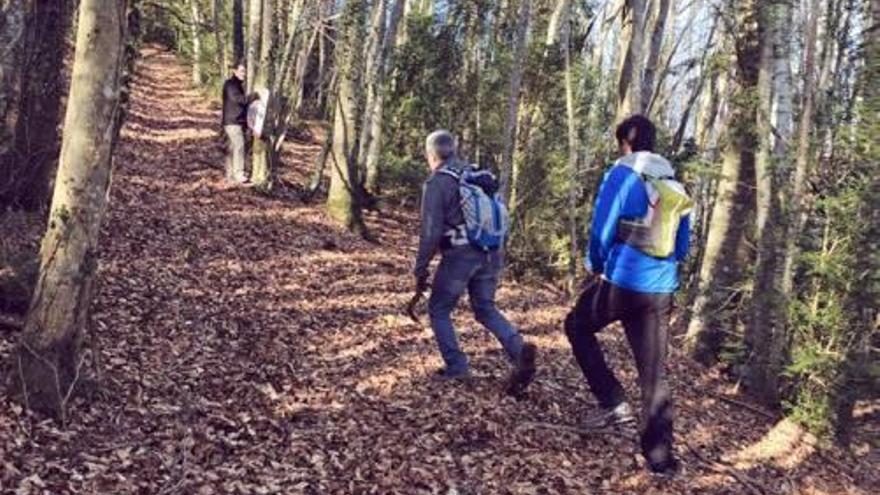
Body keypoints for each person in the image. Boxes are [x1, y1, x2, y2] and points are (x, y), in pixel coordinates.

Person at [564, 115, 692, 476]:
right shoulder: (673, 184)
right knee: (654, 375)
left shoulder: (622, 174)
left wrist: (595, 264)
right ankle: (661, 461)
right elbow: (682, 246)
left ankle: (612, 401)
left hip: (622, 281)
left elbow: (602, 227)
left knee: (576, 325)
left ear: (625, 143)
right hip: (660, 290)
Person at [414, 130, 537, 394]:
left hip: (460, 255)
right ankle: (518, 351)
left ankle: (457, 367)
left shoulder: (438, 182)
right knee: (485, 308)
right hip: (491, 251)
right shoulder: (473, 175)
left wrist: (420, 266)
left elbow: (431, 231)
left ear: (431, 154)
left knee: (439, 308)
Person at [221, 62, 259, 184]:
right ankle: (238, 174)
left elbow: (242, 105)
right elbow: (240, 100)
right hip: (232, 122)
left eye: (245, 71)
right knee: (239, 145)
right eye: (242, 71)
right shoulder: (230, 85)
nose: (244, 74)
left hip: (238, 122)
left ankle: (231, 175)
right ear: (235, 71)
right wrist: (255, 96)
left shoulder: (238, 86)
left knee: (234, 148)